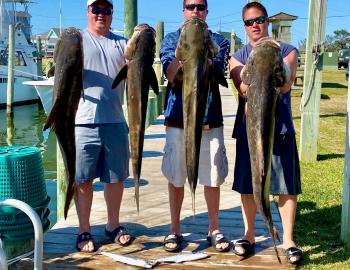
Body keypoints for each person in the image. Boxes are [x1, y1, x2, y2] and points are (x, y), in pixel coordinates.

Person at [229, 2, 302, 265]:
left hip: (280, 128)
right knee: (248, 186)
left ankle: (288, 239)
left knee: (285, 186)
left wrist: (271, 57)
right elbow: (243, 87)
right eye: (249, 22)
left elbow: (285, 84)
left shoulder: (288, 50)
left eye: (259, 20)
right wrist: (257, 65)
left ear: (267, 21)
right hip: (249, 130)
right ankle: (249, 235)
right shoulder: (238, 55)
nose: (255, 25)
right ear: (244, 26)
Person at [159, 0, 231, 253]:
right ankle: (175, 229)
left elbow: (217, 73)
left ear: (207, 12)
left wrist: (204, 49)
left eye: (200, 7)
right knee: (176, 175)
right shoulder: (170, 39)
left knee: (212, 176)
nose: (195, 11)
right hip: (178, 118)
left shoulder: (219, 40)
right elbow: (170, 75)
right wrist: (181, 53)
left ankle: (214, 228)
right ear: (183, 11)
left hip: (210, 118)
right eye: (191, 7)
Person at [74, 0, 132, 252]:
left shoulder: (122, 42)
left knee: (115, 178)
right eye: (96, 9)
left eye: (106, 10)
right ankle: (84, 229)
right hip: (82, 121)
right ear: (88, 12)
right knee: (83, 179)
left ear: (112, 14)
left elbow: (137, 58)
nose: (101, 14)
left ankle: (112, 225)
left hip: (116, 120)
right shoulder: (77, 41)